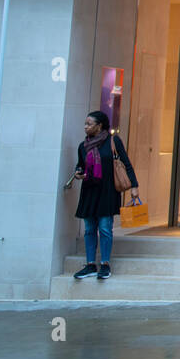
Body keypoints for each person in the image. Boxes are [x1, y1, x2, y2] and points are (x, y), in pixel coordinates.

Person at [71, 110, 139, 280]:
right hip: (89, 191)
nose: (85, 127)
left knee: (105, 228)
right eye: (85, 124)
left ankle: (105, 264)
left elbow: (126, 163)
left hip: (107, 191)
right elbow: (80, 165)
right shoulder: (83, 145)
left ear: (99, 126)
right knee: (89, 229)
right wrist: (78, 172)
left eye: (89, 124)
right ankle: (90, 264)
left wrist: (134, 186)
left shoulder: (112, 141)